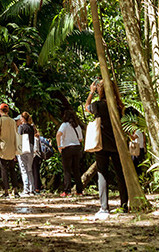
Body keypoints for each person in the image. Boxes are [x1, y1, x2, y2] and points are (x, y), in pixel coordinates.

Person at [87, 79, 128, 217]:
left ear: (101, 90)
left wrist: (91, 93)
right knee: (120, 174)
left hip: (101, 144)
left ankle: (104, 207)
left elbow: (87, 107)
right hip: (117, 145)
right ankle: (124, 205)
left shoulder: (98, 105)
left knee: (102, 174)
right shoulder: (118, 106)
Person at [57, 108, 84, 196]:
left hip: (67, 148)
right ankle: (79, 191)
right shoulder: (77, 126)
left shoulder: (64, 125)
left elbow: (58, 134)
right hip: (76, 148)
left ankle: (67, 191)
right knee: (76, 169)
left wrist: (59, 146)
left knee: (67, 170)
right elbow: (80, 139)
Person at [0, 103, 18, 198]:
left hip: (2, 148)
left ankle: (6, 191)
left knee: (4, 169)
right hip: (12, 148)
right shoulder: (13, 121)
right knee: (12, 169)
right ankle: (15, 190)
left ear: (0, 111)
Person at [16, 112, 37, 196]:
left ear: (22, 118)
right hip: (31, 148)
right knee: (29, 169)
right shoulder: (32, 128)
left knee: (23, 169)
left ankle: (26, 189)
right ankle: (32, 189)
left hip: (23, 148)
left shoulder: (21, 127)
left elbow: (19, 138)